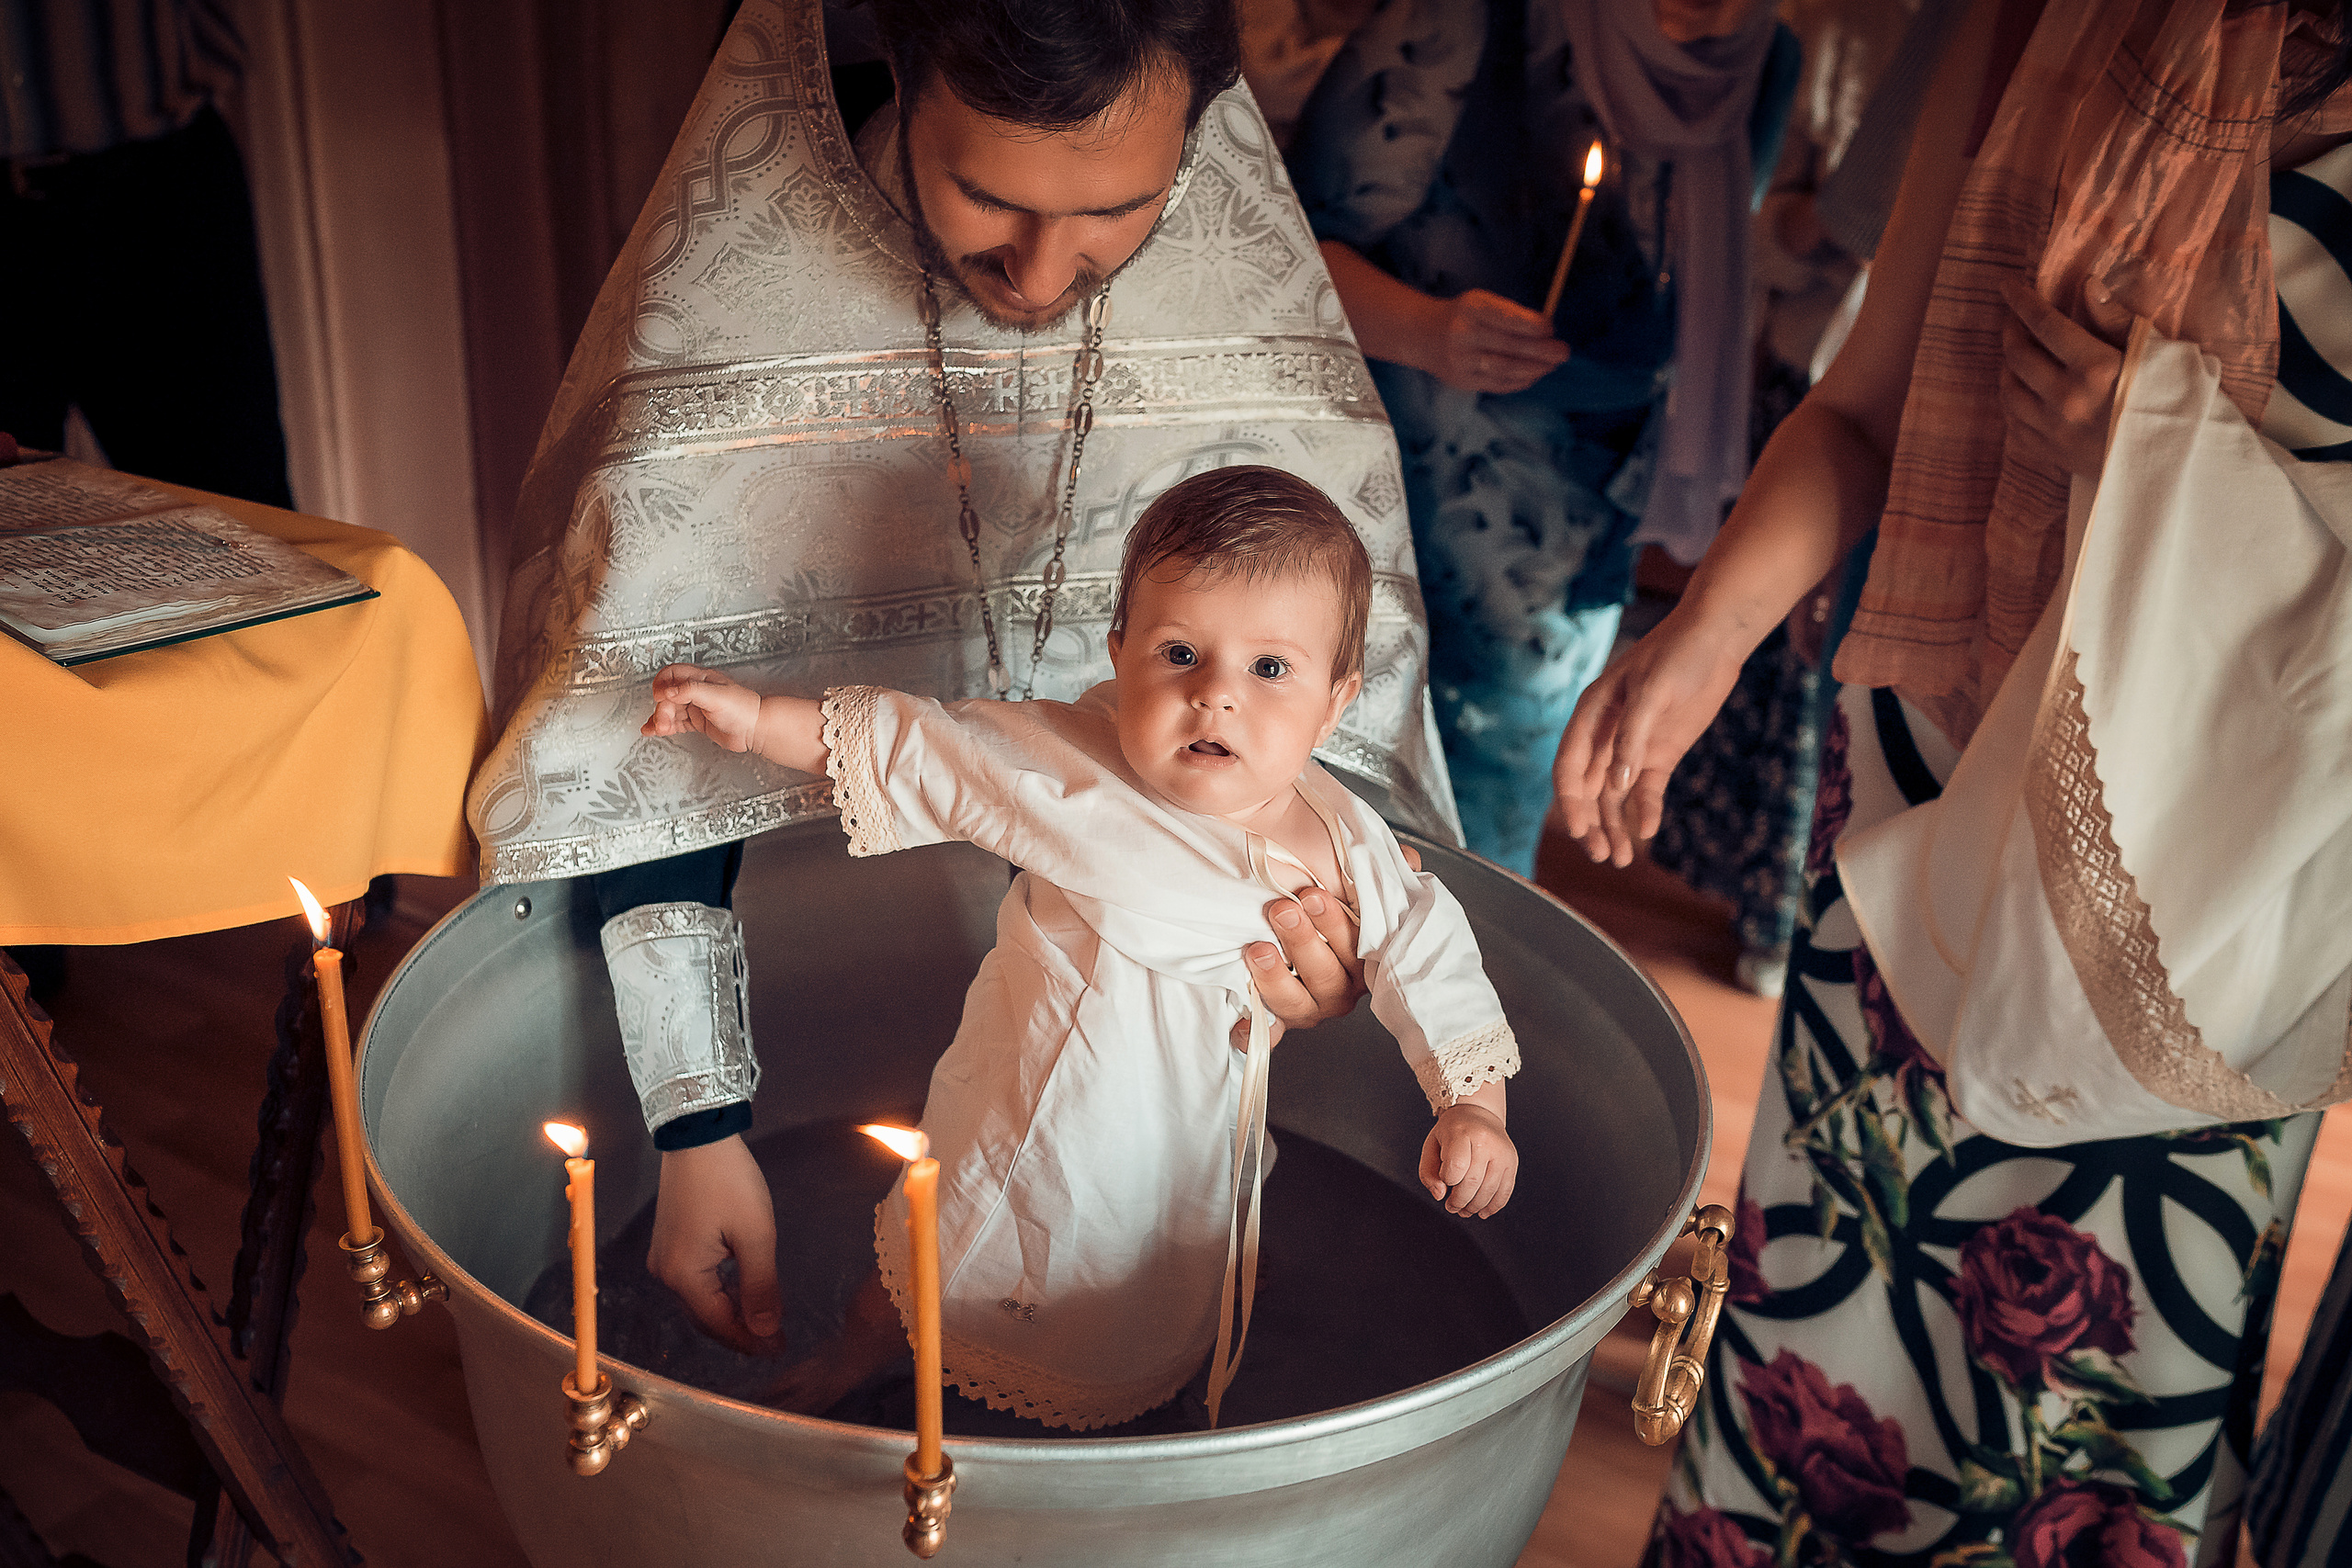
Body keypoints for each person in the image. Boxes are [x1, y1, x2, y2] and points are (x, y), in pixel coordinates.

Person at [466, 0, 1461, 1359]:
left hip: (1152, 1081)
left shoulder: (1238, 295)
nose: (1046, 273)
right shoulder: (749, 295)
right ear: (906, 73)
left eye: (1121, 211)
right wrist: (698, 1127)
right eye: (985, 196)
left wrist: (1326, 945)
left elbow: (1331, 735)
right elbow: (648, 745)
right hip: (866, 968)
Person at [1551, 0, 2352, 1562]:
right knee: (1813, 1374)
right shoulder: (2042, 20)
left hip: (2214, 910)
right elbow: (1867, 403)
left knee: (2083, 1450)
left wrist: (2161, 461)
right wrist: (1702, 638)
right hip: (1929, 802)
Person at [639, 466, 1521, 1430]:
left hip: (1187, 1138)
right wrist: (762, 719)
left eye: (1269, 670)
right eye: (1180, 654)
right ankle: (858, 1357)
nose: (1215, 698)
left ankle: (1142, 1419)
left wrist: (1472, 1105)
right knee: (938, 1259)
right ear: (1122, 655)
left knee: (1167, 1284)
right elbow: (927, 748)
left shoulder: (1348, 842)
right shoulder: (1074, 766)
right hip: (1025, 1115)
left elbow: (1430, 955)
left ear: (1336, 700)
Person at [1284, 0, 1798, 874]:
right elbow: (1282, 248)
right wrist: (1431, 330)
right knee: (1337, 797)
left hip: (1596, 510)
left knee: (1495, 813)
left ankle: (1463, 994)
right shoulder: (1474, 19)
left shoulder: (1764, 60)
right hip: (1399, 498)